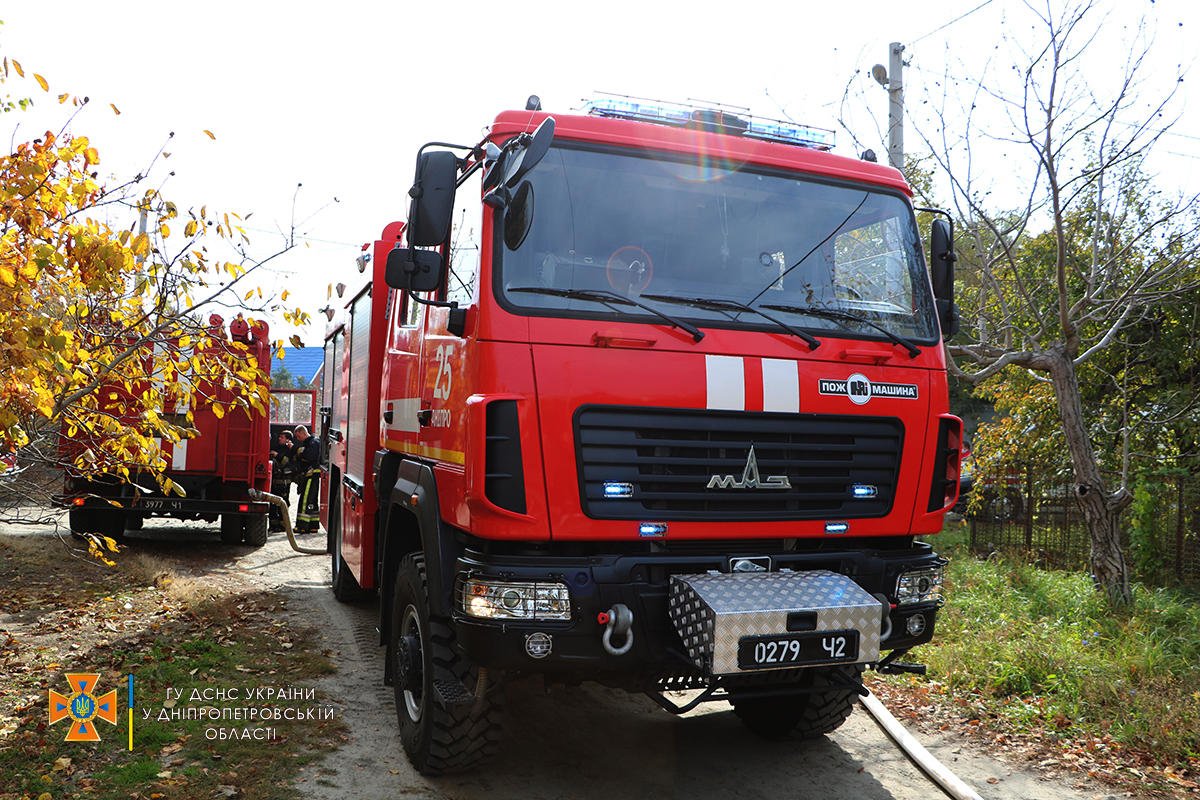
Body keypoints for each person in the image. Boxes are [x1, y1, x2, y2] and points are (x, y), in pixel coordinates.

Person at [293, 425, 322, 533]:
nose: (297, 439)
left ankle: (302, 526)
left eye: (298, 436)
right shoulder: (311, 443)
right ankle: (313, 525)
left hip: (311, 474)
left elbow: (310, 456)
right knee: (312, 500)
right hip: (311, 474)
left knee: (305, 500)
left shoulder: (313, 443)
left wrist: (301, 452)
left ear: (302, 432)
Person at [268, 430, 295, 532]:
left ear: (288, 439)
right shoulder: (277, 448)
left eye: (282, 437)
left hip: (284, 482)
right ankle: (273, 525)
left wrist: (277, 455)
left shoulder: (291, 450)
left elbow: (288, 463)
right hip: (275, 481)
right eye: (279, 437)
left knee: (283, 503)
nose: (279, 438)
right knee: (273, 504)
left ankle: (283, 525)